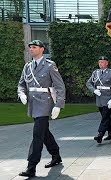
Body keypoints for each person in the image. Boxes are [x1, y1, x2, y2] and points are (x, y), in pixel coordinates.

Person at [17, 40, 66, 177]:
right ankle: (56, 155)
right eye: (30, 47)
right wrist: (21, 94)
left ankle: (31, 166)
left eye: (34, 47)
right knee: (44, 133)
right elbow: (21, 84)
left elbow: (60, 86)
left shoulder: (50, 66)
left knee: (37, 134)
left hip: (45, 103)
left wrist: (58, 105)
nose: (31, 49)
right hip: (32, 104)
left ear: (42, 49)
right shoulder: (28, 66)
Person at [86, 56, 111, 143]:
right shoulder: (96, 72)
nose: (100, 64)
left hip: (108, 98)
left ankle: (100, 134)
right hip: (99, 98)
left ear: (107, 63)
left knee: (105, 117)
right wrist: (94, 90)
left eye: (102, 62)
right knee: (106, 117)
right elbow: (88, 83)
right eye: (99, 62)